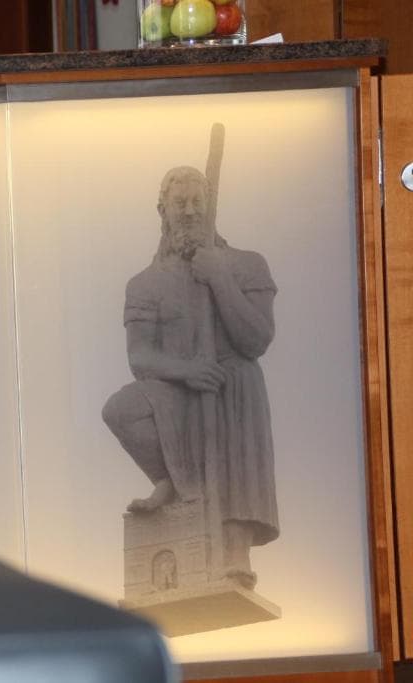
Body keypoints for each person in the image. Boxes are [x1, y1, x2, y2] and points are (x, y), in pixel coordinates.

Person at [102, 166, 279, 589]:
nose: (189, 211)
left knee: (238, 384)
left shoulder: (246, 264)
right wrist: (187, 371)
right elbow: (140, 357)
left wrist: (219, 278)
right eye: (179, 203)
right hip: (176, 390)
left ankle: (235, 549)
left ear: (211, 207)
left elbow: (255, 339)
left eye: (198, 202)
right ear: (162, 210)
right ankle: (168, 478)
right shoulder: (144, 284)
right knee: (120, 409)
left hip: (229, 385)